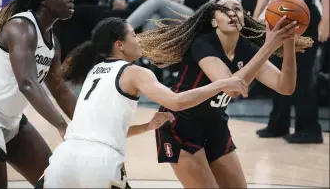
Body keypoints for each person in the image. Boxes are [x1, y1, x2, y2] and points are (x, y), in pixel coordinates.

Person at [36, 17, 249, 188]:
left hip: (64, 158)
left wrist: (147, 126)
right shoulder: (136, 72)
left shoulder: (93, 71)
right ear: (119, 45)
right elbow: (175, 102)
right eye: (133, 35)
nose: (139, 39)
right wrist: (221, 84)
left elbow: (104, 131)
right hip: (100, 163)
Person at [137, 0, 313, 188]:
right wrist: (270, 46)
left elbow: (285, 87)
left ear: (244, 18)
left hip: (215, 127)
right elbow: (231, 88)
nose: (232, 13)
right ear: (213, 21)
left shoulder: (248, 49)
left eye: (237, 9)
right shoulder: (203, 44)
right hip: (179, 125)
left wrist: (288, 42)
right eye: (224, 10)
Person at [0, 0, 77, 189]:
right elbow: (27, 83)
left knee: (53, 181)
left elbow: (61, 90)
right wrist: (61, 125)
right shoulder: (21, 28)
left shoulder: (52, 43)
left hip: (10, 119)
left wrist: (85, 125)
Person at [253, 0, 329, 143]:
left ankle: (310, 129)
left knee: (301, 74)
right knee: (278, 72)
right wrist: (255, 16)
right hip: (277, 22)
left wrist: (327, 20)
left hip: (305, 22)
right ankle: (278, 124)